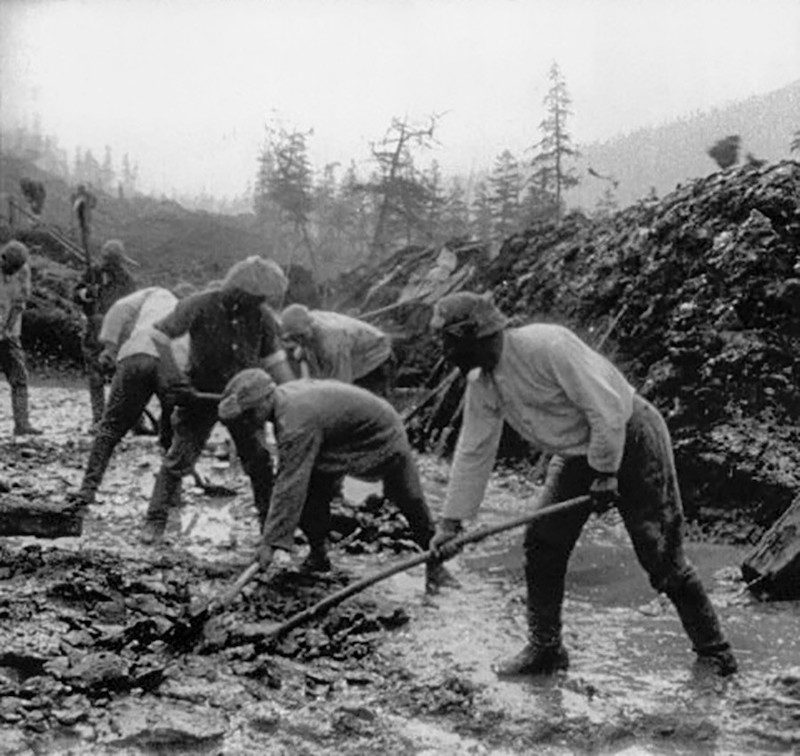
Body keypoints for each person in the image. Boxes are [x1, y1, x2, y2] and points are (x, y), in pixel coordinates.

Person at [428, 292, 737, 677]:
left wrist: (606, 472)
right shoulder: (482, 384)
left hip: (631, 433)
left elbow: (603, 407)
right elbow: (474, 449)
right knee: (543, 543)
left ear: (476, 337)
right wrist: (451, 523)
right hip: (580, 453)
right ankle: (546, 649)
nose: (448, 357)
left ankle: (715, 652)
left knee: (661, 557)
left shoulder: (547, 345)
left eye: (451, 346)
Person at [217, 368, 457, 591]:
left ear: (266, 399)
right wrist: (268, 531)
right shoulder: (283, 404)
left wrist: (270, 542)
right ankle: (318, 556)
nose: (247, 422)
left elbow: (289, 483)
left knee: (407, 495)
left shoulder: (295, 422)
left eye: (250, 414)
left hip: (381, 434)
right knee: (313, 489)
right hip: (338, 439)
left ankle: (436, 563)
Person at [142, 256, 294, 544]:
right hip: (200, 392)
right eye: (255, 296)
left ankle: (270, 529)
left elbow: (276, 362)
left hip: (245, 399)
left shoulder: (262, 317)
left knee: (260, 462)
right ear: (238, 289)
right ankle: (155, 520)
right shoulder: (200, 304)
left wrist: (295, 395)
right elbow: (159, 334)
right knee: (179, 457)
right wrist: (173, 375)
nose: (259, 301)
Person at [66, 284, 194, 507]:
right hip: (173, 365)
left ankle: (88, 489)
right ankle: (173, 494)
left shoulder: (156, 292)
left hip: (137, 354)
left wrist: (110, 346)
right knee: (171, 430)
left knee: (110, 427)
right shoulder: (192, 315)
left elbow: (119, 308)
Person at [73, 239, 138, 426]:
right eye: (109, 259)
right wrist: (87, 293)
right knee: (95, 376)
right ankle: (99, 418)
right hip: (95, 328)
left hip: (119, 333)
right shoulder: (93, 273)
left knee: (124, 375)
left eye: (115, 260)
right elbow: (76, 294)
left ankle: (131, 419)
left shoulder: (127, 279)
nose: (111, 264)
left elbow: (133, 307)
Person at [281, 304, 394, 396]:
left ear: (310, 326)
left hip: (375, 351)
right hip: (348, 347)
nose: (298, 340)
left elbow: (341, 384)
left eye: (300, 336)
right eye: (294, 337)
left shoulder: (332, 342)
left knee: (340, 394)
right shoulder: (308, 320)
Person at [0, 241, 40, 435]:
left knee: (19, 376)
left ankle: (22, 424)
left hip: (9, 332)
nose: (13, 271)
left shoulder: (23, 272)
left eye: (16, 268)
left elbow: (20, 303)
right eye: (10, 267)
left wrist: (7, 328)